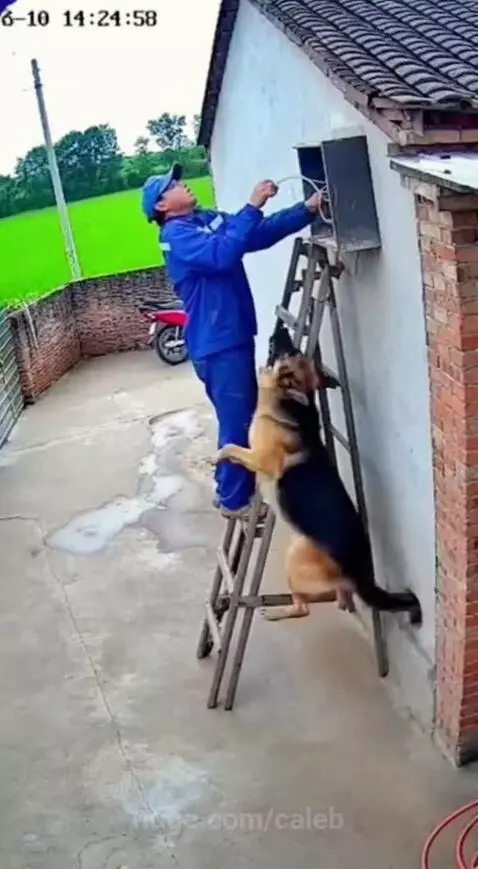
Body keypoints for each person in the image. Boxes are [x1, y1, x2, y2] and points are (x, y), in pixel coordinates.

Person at [141, 162, 323, 520]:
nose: (182, 184)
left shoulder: (204, 219)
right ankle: (234, 500)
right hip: (216, 341)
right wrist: (252, 206)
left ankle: (230, 489)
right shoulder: (176, 236)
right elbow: (221, 255)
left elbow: (255, 234)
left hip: (232, 333)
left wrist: (306, 209)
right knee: (238, 421)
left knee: (242, 416)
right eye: (172, 185)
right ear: (162, 206)